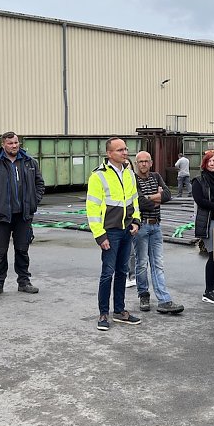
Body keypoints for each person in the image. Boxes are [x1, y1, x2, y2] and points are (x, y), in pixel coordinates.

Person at [0, 132, 45, 296]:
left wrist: (34, 202)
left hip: (23, 216)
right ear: (3, 145)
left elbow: (40, 183)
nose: (14, 146)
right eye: (10, 143)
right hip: (1, 216)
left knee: (22, 250)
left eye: (16, 143)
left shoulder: (30, 162)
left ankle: (24, 281)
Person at [86, 138, 142, 331]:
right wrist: (100, 236)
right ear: (109, 154)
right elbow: (92, 208)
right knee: (107, 273)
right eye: (120, 150)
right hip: (110, 231)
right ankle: (103, 313)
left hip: (127, 230)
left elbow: (134, 200)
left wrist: (136, 221)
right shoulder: (98, 176)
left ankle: (119, 311)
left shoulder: (129, 173)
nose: (125, 152)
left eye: (125, 149)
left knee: (122, 272)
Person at [132, 151, 184, 315]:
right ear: (136, 163)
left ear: (151, 162)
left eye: (146, 161)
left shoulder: (156, 176)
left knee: (158, 264)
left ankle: (164, 300)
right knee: (141, 264)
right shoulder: (133, 180)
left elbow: (168, 195)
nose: (143, 164)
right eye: (140, 162)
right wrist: (157, 196)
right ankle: (144, 295)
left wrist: (152, 197)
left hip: (156, 227)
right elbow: (140, 203)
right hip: (141, 227)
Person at [192, 150, 214, 304]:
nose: (213, 163)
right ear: (205, 164)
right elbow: (200, 200)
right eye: (210, 161)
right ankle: (208, 291)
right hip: (209, 222)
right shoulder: (199, 181)